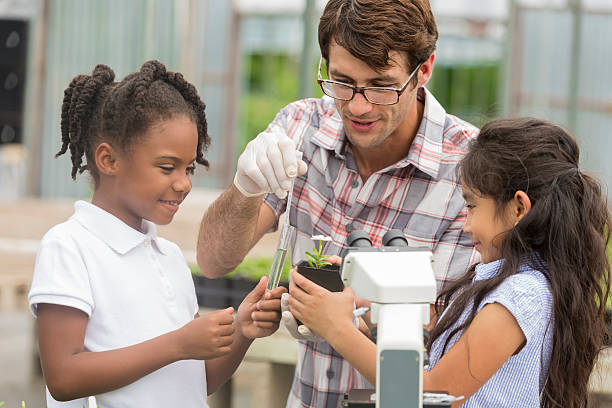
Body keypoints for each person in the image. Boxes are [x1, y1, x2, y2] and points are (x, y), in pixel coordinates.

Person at [197, 0, 479, 406]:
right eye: (341, 81)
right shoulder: (300, 127)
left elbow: (448, 342)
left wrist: (336, 317)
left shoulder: (468, 169)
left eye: (381, 85)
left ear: (425, 69)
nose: (358, 106)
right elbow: (212, 261)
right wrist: (246, 187)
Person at [289, 117, 612, 407]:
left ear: (518, 208)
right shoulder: (519, 282)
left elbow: (434, 393)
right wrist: (369, 312)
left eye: (471, 206)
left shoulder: (520, 297)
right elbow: (446, 335)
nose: (466, 224)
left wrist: (338, 329)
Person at [28, 61, 286, 408]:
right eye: (168, 167)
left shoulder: (169, 257)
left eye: (190, 167)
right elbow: (63, 376)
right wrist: (178, 343)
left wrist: (242, 329)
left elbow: (199, 379)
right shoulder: (70, 247)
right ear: (109, 160)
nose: (184, 183)